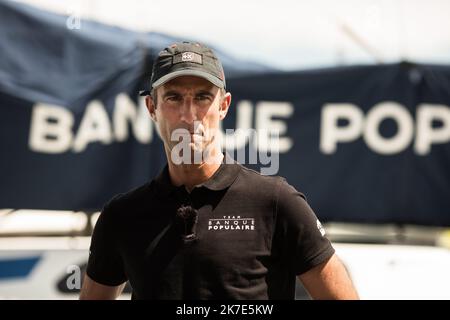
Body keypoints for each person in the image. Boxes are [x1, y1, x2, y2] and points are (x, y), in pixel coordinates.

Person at [80, 41, 359, 300]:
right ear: (152, 108)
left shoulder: (276, 202)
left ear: (223, 106)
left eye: (202, 97)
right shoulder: (122, 216)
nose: (189, 115)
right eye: (174, 98)